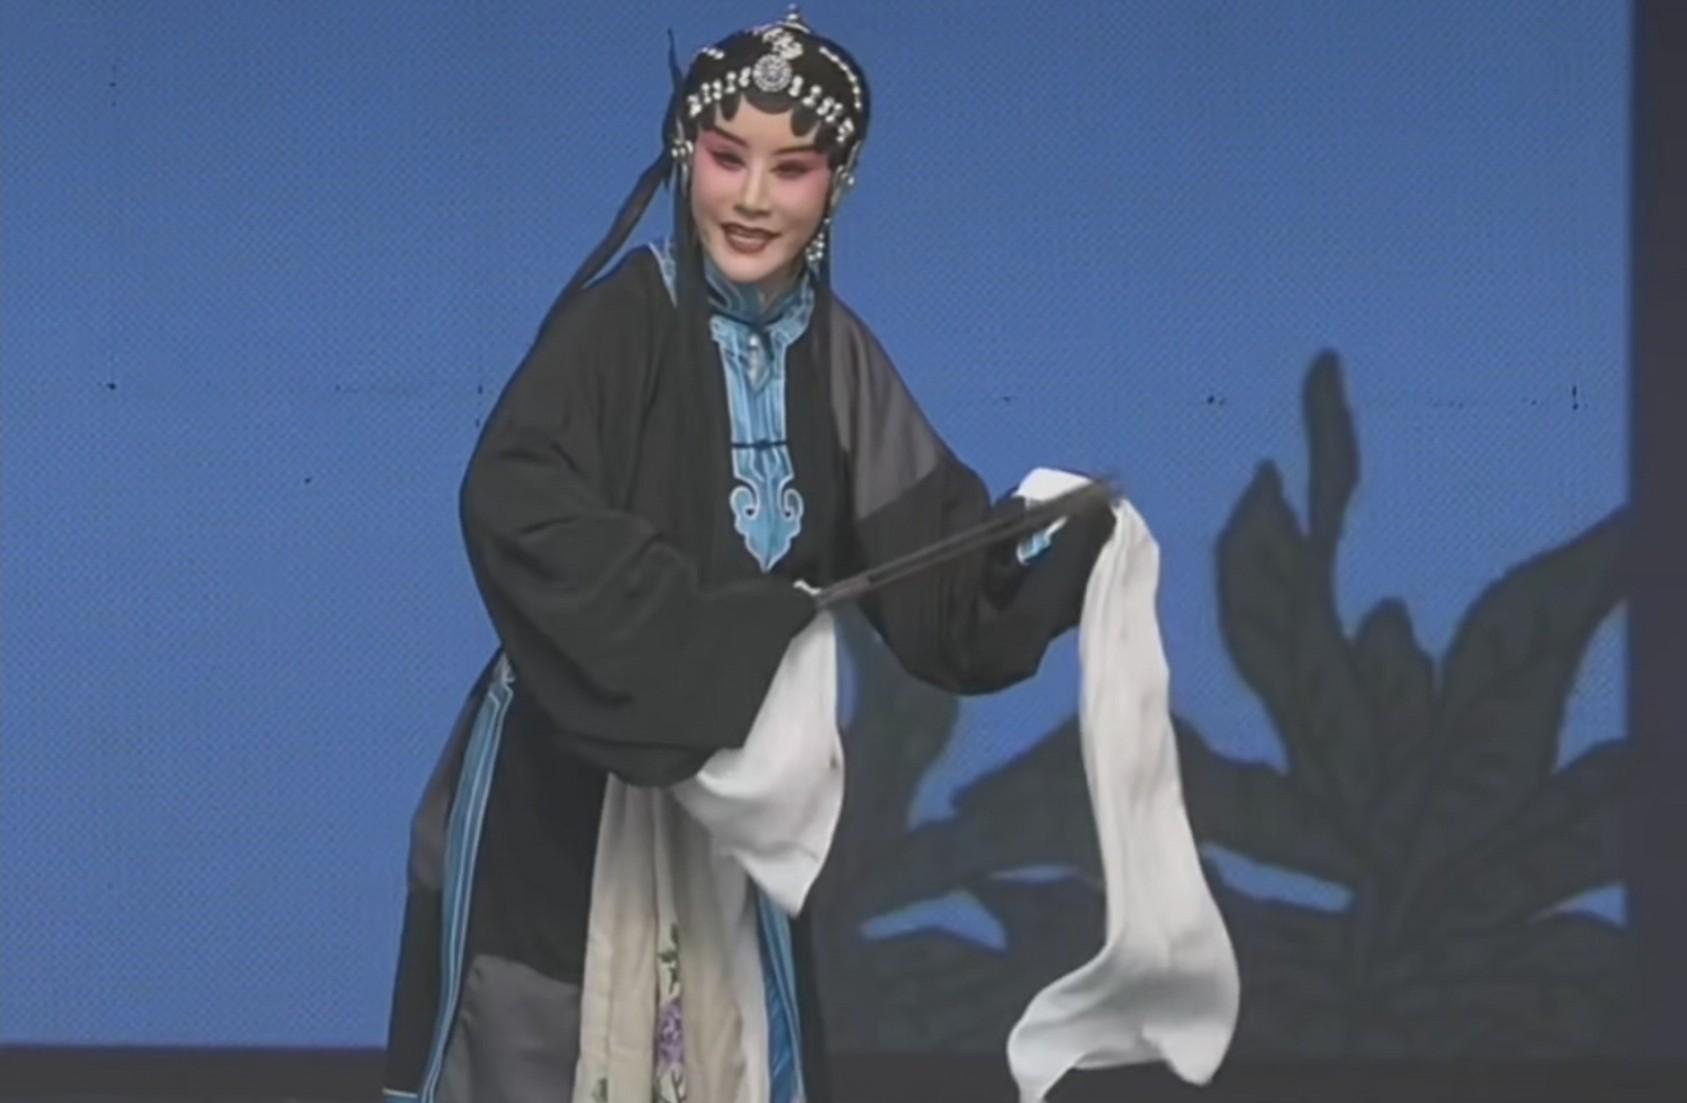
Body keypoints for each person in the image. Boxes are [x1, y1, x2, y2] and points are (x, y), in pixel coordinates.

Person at [381, 10, 1114, 1103]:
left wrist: (1042, 548)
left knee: (738, 1046)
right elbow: (515, 498)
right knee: (540, 1041)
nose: (754, 198)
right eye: (728, 159)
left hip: (738, 795)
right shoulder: (621, 322)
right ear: (687, 158)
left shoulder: (837, 356)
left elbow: (932, 576)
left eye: (793, 167)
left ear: (837, 184)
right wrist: (712, 625)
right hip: (576, 767)